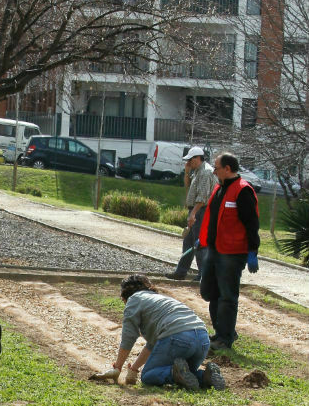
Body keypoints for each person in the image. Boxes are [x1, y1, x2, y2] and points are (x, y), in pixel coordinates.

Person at [92, 274, 225, 391]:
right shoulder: (160, 300)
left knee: (149, 376)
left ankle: (174, 373)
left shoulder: (134, 300)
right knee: (186, 373)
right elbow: (152, 344)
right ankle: (206, 376)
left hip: (178, 337)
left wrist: (118, 367)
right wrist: (134, 369)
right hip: (202, 339)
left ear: (125, 296)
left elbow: (128, 337)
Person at [199, 152, 260, 350]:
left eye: (216, 167)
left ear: (227, 169)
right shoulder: (219, 188)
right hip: (214, 249)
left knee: (227, 296)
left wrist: (252, 251)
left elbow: (252, 223)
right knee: (209, 292)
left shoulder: (243, 191)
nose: (214, 171)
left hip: (232, 253)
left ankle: (225, 338)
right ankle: (221, 331)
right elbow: (213, 217)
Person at [167, 146, 217, 282]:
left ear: (198, 158)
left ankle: (203, 275)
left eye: (190, 159)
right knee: (188, 243)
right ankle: (181, 272)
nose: (189, 162)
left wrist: (193, 214)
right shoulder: (197, 171)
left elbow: (203, 196)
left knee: (199, 244)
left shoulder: (206, 172)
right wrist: (186, 172)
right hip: (195, 210)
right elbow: (187, 185)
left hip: (201, 211)